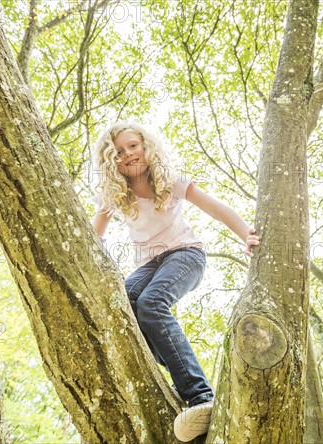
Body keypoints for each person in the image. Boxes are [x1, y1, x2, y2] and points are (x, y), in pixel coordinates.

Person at [91, 121, 260, 442]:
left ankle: (201, 396)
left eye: (133, 146)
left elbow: (216, 209)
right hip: (149, 265)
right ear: (111, 161)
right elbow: (93, 236)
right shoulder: (115, 195)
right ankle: (179, 373)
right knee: (126, 301)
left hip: (185, 256)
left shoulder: (170, 182)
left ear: (146, 147)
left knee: (151, 304)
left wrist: (246, 235)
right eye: (118, 152)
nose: (128, 155)